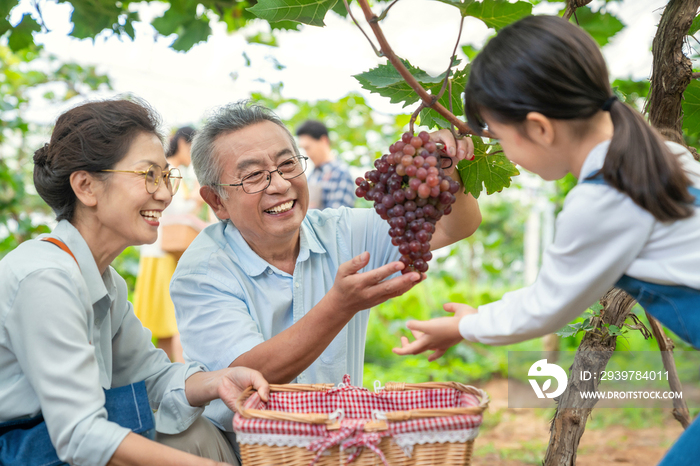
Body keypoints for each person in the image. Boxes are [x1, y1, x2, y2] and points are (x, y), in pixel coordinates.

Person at [390, 16, 700, 466]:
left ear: (538, 128)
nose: (502, 150)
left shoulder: (604, 196)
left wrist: (462, 327)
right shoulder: (659, 157)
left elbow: (547, 305)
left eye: (499, 135)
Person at [170, 101, 481, 436]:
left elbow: (453, 227)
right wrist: (340, 305)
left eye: (288, 164)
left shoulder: (341, 232)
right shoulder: (203, 271)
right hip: (241, 451)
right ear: (217, 201)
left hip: (339, 444)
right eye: (254, 176)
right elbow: (246, 379)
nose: (279, 184)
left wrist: (444, 164)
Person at [0, 99, 269, 466]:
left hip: (43, 443)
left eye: (166, 176)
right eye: (148, 175)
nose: (164, 194)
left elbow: (151, 378)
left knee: (193, 432)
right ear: (86, 187)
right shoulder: (45, 279)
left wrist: (219, 381)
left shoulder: (102, 280)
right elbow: (80, 434)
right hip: (18, 448)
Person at [133, 126, 207, 363]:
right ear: (184, 144)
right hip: (163, 254)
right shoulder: (171, 171)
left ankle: (168, 380)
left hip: (156, 254)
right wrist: (197, 197)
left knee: (162, 327)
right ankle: (184, 379)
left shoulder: (169, 170)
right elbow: (175, 211)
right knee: (174, 324)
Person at [296, 120, 356, 209]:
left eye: (308, 148)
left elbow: (337, 219)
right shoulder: (312, 175)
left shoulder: (340, 174)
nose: (306, 154)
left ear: (324, 140)